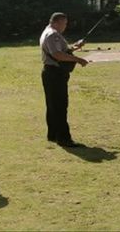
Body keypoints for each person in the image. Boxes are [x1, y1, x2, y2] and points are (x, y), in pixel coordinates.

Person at [40, 12, 88, 147]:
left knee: (52, 105)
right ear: (57, 22)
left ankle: (53, 135)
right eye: (64, 23)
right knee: (60, 106)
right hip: (55, 74)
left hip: (51, 73)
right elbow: (58, 55)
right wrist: (78, 59)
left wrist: (75, 47)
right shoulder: (52, 35)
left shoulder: (48, 32)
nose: (65, 26)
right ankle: (64, 138)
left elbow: (61, 50)